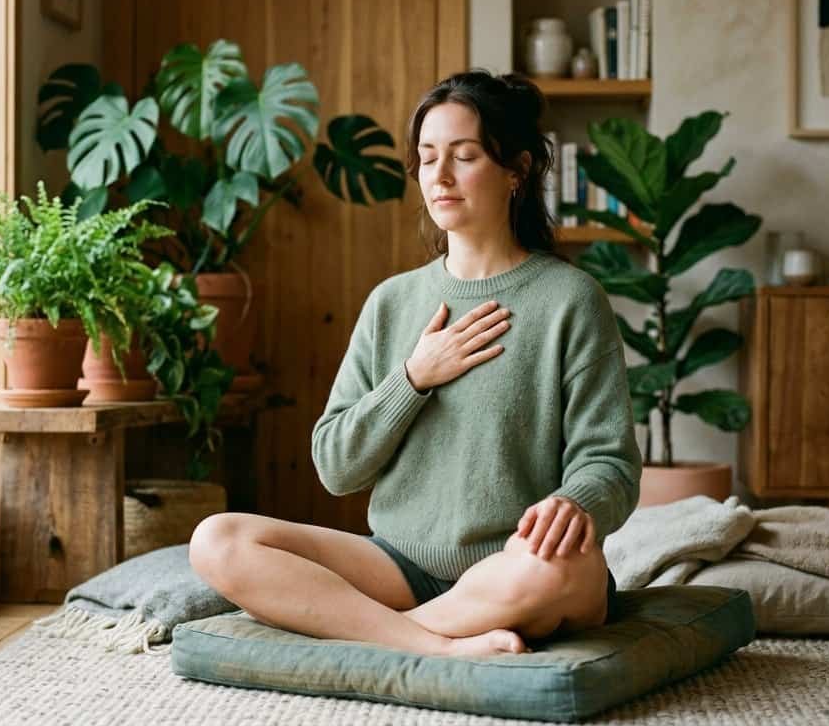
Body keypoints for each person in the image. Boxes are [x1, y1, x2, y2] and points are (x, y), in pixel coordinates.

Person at [190, 69, 642, 658]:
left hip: (519, 564)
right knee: (217, 540)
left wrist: (575, 502)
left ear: (518, 171)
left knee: (562, 574)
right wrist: (412, 378)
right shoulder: (393, 303)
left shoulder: (570, 299)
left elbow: (610, 460)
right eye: (428, 158)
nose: (441, 176)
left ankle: (371, 629)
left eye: (465, 155)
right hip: (399, 565)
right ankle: (439, 645)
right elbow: (336, 465)